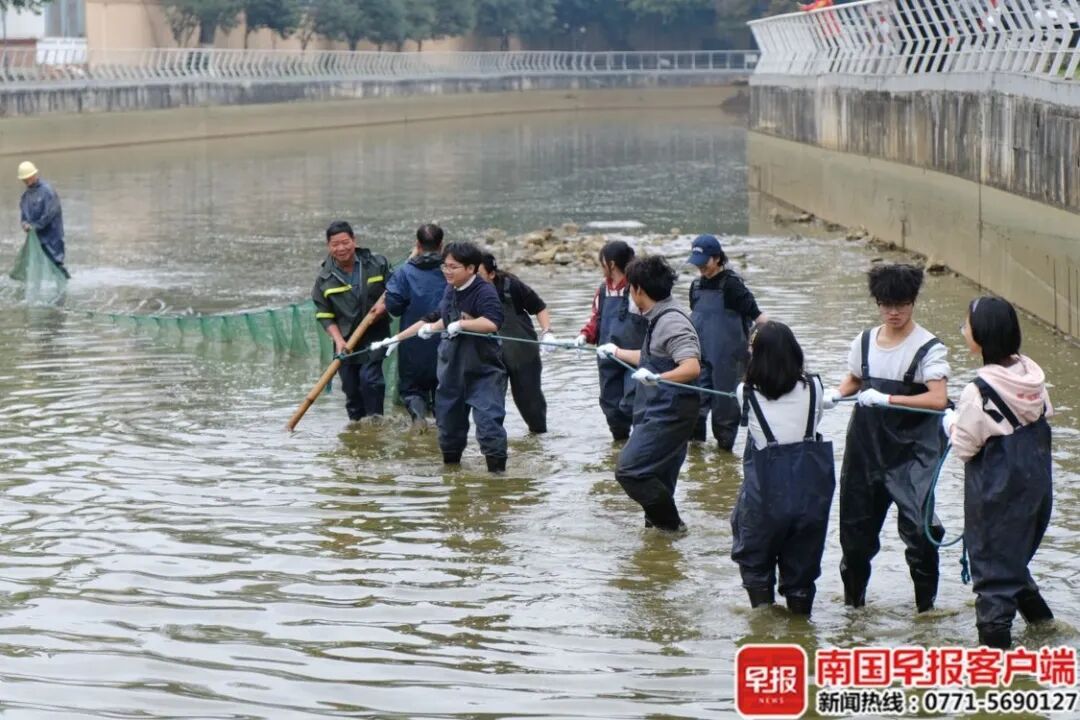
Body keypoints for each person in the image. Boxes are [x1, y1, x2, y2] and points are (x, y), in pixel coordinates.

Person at [826, 264, 950, 613]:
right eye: (886, 304)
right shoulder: (864, 341)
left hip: (913, 454)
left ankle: (925, 611)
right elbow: (853, 379)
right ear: (877, 303)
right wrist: (836, 395)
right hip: (866, 451)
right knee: (855, 536)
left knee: (920, 535)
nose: (893, 312)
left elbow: (938, 399)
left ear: (913, 302)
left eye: (901, 304)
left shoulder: (929, 348)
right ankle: (854, 609)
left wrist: (888, 398)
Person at [942, 297, 1054, 649]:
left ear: (982, 336)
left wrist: (951, 424)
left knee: (993, 584)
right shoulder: (1031, 376)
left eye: (967, 325)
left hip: (998, 498)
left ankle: (996, 682)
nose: (964, 330)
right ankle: (1046, 630)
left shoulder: (978, 392)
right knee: (1014, 565)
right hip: (1036, 494)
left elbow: (964, 448)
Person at [371, 241, 508, 473]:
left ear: (471, 269)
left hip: (483, 371)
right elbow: (440, 318)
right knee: (449, 429)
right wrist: (398, 339)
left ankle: (497, 482)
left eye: (453, 267)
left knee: (488, 426)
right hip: (452, 371)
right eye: (444, 266)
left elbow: (492, 322)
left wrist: (462, 324)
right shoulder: (450, 289)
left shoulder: (484, 291)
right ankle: (452, 477)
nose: (447, 271)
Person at [731, 322, 834, 616]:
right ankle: (801, 633)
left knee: (755, 565)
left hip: (764, 502)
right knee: (801, 575)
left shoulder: (745, 393)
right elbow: (812, 424)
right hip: (809, 502)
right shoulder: (815, 387)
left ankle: (762, 630)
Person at [597, 255, 701, 532]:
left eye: (630, 288)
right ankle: (662, 548)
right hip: (657, 409)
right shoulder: (657, 317)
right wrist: (616, 352)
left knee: (629, 471)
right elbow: (650, 356)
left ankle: (673, 526)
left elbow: (691, 366)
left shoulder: (672, 322)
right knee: (657, 477)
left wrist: (659, 377)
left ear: (639, 289)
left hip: (670, 413)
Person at [687, 234, 767, 451]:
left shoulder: (732, 286)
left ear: (717, 259)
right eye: (697, 264)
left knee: (725, 414)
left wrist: (756, 346)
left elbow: (761, 320)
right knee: (694, 406)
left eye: (704, 263)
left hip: (729, 362)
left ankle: (724, 458)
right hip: (700, 357)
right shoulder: (695, 287)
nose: (701, 268)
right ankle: (697, 461)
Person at [312, 220, 391, 422]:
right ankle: (356, 431)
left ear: (354, 241)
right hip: (345, 340)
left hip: (375, 335)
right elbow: (324, 314)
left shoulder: (377, 264)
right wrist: (338, 341)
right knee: (351, 390)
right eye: (335, 244)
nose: (341, 248)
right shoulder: (324, 278)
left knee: (370, 380)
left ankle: (375, 425)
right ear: (328, 246)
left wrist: (385, 306)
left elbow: (396, 290)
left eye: (345, 242)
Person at [574, 240, 648, 441]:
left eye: (602, 262)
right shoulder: (602, 290)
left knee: (632, 403)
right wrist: (584, 335)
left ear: (611, 264)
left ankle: (641, 443)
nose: (601, 267)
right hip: (607, 359)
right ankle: (620, 446)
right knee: (611, 406)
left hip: (633, 358)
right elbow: (596, 317)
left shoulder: (636, 289)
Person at [477, 253, 558, 434]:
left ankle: (539, 443)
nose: (474, 277)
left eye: (479, 273)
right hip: (491, 357)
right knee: (490, 404)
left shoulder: (511, 286)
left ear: (491, 274)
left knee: (531, 405)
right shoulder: (468, 290)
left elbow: (540, 307)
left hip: (523, 355)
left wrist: (547, 332)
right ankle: (494, 445)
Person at [384, 224, 448, 428]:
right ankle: (443, 430)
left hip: (413, 342)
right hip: (448, 341)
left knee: (412, 390)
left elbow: (393, 306)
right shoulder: (454, 269)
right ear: (441, 245)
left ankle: (419, 422)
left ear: (418, 245)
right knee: (445, 389)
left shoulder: (404, 272)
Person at [18, 161, 68, 278]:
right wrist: (25, 224)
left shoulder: (47, 191)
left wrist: (36, 226)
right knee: (40, 266)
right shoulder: (26, 196)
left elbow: (50, 213)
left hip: (52, 236)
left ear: (34, 175)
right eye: (24, 179)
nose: (27, 181)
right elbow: (24, 216)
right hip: (36, 238)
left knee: (55, 263)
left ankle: (64, 283)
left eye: (28, 178)